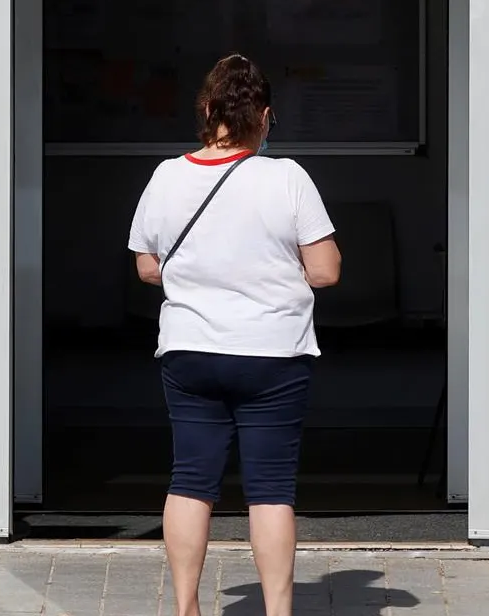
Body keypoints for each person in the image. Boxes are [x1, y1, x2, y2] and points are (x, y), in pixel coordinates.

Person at [127, 54, 342, 616]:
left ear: (205, 110)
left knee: (191, 479)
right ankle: (277, 611)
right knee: (270, 489)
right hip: (272, 352)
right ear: (265, 118)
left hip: (190, 350)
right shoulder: (287, 177)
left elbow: (147, 267)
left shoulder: (166, 176)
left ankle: (186, 608)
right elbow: (325, 270)